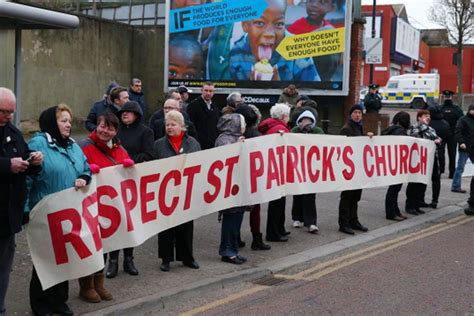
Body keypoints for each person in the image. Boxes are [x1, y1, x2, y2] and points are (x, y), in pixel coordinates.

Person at [26, 104, 89, 316]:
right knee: (45, 261)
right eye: (63, 120)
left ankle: (59, 301)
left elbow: (86, 167)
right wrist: (25, 209)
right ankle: (41, 304)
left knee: (65, 259)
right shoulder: (38, 143)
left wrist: (84, 177)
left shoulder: (73, 145)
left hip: (69, 213)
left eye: (70, 121)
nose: (69, 124)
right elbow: (26, 178)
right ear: (52, 123)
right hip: (45, 213)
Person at [79, 112, 134, 303]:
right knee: (90, 245)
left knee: (104, 245)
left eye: (110, 128)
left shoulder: (120, 150)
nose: (105, 131)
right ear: (97, 126)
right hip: (90, 206)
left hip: (110, 209)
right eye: (102, 126)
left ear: (115, 131)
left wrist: (130, 168)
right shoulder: (84, 146)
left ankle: (99, 282)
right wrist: (87, 171)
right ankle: (86, 285)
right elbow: (76, 169)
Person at [0, 88, 42, 316]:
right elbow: (9, 164)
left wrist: (34, 161)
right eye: (3, 111)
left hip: (7, 216)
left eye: (11, 112)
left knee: (3, 268)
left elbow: (24, 158)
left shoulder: (13, 132)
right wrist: (7, 165)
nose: (8, 116)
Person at [103, 101, 154, 279]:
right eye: (122, 112)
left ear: (136, 114)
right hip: (113, 182)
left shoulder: (145, 132)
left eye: (128, 112)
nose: (124, 114)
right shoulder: (115, 131)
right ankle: (113, 261)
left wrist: (130, 160)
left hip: (133, 181)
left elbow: (149, 154)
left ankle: (129, 259)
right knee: (116, 222)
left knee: (130, 222)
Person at [153, 110, 201, 272]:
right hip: (165, 192)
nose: (169, 127)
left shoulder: (192, 143)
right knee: (166, 227)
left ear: (182, 126)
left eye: (173, 124)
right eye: (167, 124)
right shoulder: (159, 144)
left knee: (186, 226)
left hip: (186, 191)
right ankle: (166, 259)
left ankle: (187, 257)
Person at [229, 0, 319, 81]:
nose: (269, 33)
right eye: (260, 23)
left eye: (279, 24)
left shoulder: (298, 50)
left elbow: (316, 94)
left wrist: (279, 90)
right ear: (245, 25)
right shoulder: (236, 53)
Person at [234, 104, 271, 251]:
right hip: (254, 176)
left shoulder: (233, 135)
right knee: (255, 209)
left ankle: (236, 237)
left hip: (239, 176)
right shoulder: (256, 135)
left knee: (238, 209)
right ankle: (256, 238)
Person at [216, 114, 249, 264]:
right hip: (229, 187)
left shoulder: (237, 137)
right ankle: (227, 251)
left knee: (237, 219)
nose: (244, 125)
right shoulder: (224, 140)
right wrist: (237, 146)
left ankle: (233, 249)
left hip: (238, 185)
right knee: (230, 220)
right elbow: (224, 160)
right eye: (242, 123)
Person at [258, 103, 291, 242]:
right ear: (284, 116)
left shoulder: (270, 126)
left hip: (273, 169)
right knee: (277, 203)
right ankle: (273, 233)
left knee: (278, 202)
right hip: (278, 170)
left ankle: (279, 229)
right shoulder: (280, 129)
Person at [338, 104, 373, 235]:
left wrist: (367, 138)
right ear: (350, 114)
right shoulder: (346, 129)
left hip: (358, 168)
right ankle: (344, 223)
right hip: (348, 169)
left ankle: (354, 220)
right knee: (347, 196)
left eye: (360, 112)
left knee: (356, 196)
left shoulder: (359, 127)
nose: (358, 115)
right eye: (355, 112)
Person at [287, 0, 340, 81]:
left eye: (322, 2)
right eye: (311, 0)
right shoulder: (294, 30)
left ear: (332, 7)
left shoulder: (331, 30)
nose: (314, 5)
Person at [291, 110, 324, 233]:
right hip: (298, 166)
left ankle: (311, 222)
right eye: (303, 121)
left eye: (308, 122)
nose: (305, 124)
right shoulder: (294, 131)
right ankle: (297, 218)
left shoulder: (318, 132)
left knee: (310, 196)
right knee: (298, 193)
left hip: (312, 168)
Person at [405, 110, 441, 216]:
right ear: (419, 118)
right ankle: (410, 205)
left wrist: (438, 141)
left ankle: (417, 204)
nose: (428, 117)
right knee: (414, 183)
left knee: (422, 184)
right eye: (425, 116)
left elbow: (437, 138)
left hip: (429, 159)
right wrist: (424, 126)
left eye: (429, 116)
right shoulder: (414, 127)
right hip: (417, 160)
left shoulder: (431, 129)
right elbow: (414, 136)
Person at [382, 111, 410, 221]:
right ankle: (391, 213)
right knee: (394, 189)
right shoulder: (400, 132)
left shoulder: (392, 130)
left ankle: (395, 211)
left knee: (394, 189)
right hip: (397, 163)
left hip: (392, 163)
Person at [186, 82, 221, 150]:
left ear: (214, 92)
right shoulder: (193, 105)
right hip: (198, 145)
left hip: (212, 145)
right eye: (206, 90)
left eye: (210, 91)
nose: (208, 93)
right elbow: (190, 125)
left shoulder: (215, 107)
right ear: (201, 90)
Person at [428, 106, 451, 208]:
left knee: (423, 179)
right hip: (440, 154)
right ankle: (435, 200)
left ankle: (419, 200)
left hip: (428, 154)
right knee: (436, 179)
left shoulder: (429, 125)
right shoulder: (445, 123)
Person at [440, 90, 463, 178]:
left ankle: (452, 173)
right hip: (441, 135)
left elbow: (461, 121)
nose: (447, 98)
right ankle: (441, 170)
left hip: (452, 135)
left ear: (451, 97)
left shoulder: (456, 109)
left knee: (452, 154)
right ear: (443, 97)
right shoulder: (439, 108)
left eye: (448, 97)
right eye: (446, 97)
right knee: (440, 154)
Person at [452, 104, 474, 194]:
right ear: (469, 110)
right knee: (460, 168)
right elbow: (458, 131)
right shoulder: (463, 120)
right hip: (465, 147)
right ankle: (456, 186)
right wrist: (461, 142)